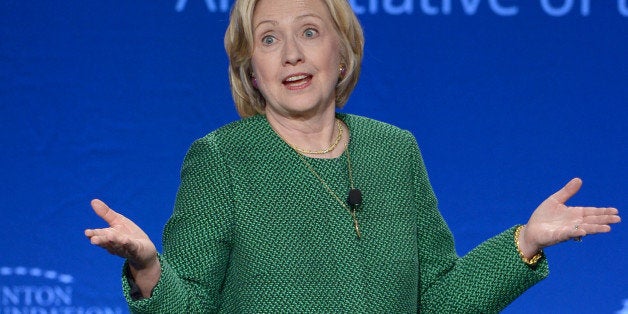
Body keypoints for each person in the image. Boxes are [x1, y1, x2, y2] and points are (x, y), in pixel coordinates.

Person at [84, 0, 621, 312]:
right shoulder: (222, 158)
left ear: (342, 53)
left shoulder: (394, 150)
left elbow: (436, 301)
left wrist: (524, 241)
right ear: (251, 69)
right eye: (268, 39)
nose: (291, 53)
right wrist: (149, 268)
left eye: (310, 32)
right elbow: (190, 307)